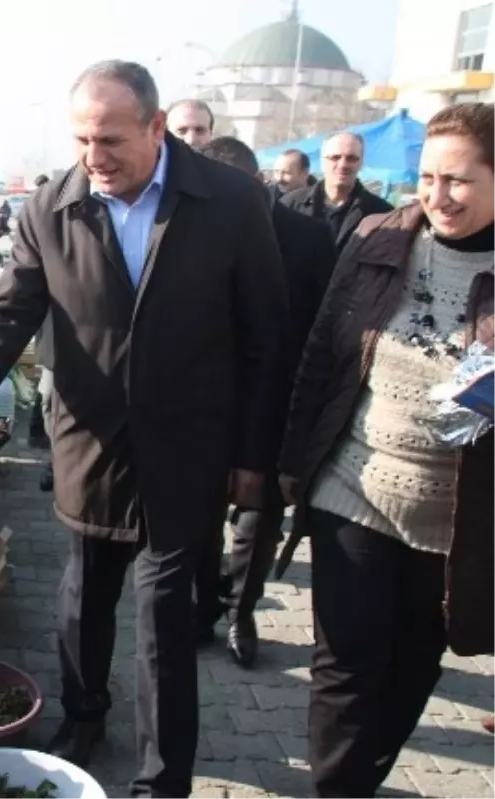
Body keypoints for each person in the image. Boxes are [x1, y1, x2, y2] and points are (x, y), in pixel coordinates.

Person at [0, 60, 288, 796]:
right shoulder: (53, 207)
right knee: (85, 591)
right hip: (91, 441)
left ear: (157, 128)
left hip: (187, 448)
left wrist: (254, 456)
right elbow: (5, 316)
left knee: (162, 612)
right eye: (83, 139)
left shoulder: (231, 201)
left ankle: (163, 774)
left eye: (112, 140)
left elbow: (266, 338)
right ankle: (84, 715)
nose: (95, 157)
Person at [277, 102, 495, 798]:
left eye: (457, 180)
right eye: (428, 177)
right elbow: (321, 353)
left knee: (410, 668)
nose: (437, 195)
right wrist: (290, 460)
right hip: (355, 487)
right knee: (345, 665)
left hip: (455, 522)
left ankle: (359, 781)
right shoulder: (378, 237)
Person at [193, 137, 337, 667]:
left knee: (259, 514)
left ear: (255, 184)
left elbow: (324, 328)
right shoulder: (193, 232)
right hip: (206, 400)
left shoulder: (310, 237)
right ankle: (202, 604)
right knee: (200, 511)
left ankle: (241, 612)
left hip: (277, 399)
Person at [281, 131, 393, 251]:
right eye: (335, 157)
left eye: (351, 158)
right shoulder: (289, 205)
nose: (343, 164)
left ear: (361, 163)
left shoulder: (382, 214)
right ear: (322, 162)